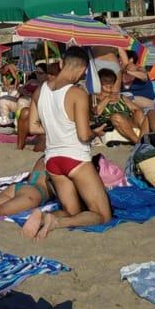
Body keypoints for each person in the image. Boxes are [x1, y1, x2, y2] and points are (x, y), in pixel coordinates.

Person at [22, 46, 112, 239]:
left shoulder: (40, 90)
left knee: (72, 211)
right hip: (76, 158)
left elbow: (33, 128)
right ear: (82, 70)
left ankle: (46, 216)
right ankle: (57, 222)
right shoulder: (77, 93)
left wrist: (57, 127)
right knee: (103, 215)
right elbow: (83, 135)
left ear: (62, 63)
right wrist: (95, 132)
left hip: (52, 160)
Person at [91, 68, 142, 144]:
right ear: (99, 82)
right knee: (117, 116)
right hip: (109, 123)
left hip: (128, 121)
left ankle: (145, 139)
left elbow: (137, 109)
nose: (109, 83)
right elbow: (96, 112)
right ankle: (138, 143)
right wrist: (107, 99)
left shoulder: (120, 96)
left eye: (111, 81)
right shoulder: (94, 97)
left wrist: (132, 115)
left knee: (142, 113)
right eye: (105, 81)